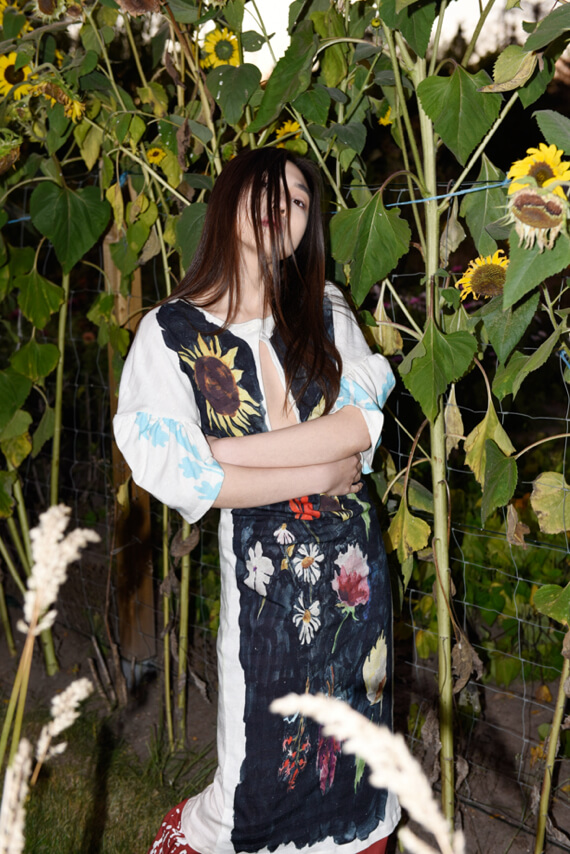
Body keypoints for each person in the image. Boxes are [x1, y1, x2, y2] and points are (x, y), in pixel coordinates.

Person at [113, 146, 400, 854]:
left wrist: (220, 451)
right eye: (269, 191)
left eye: (300, 199)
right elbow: (181, 474)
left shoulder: (325, 309)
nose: (286, 207)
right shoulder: (172, 331)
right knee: (256, 779)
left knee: (359, 771)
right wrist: (316, 472)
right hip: (265, 589)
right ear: (228, 201)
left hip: (357, 584)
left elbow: (359, 428)